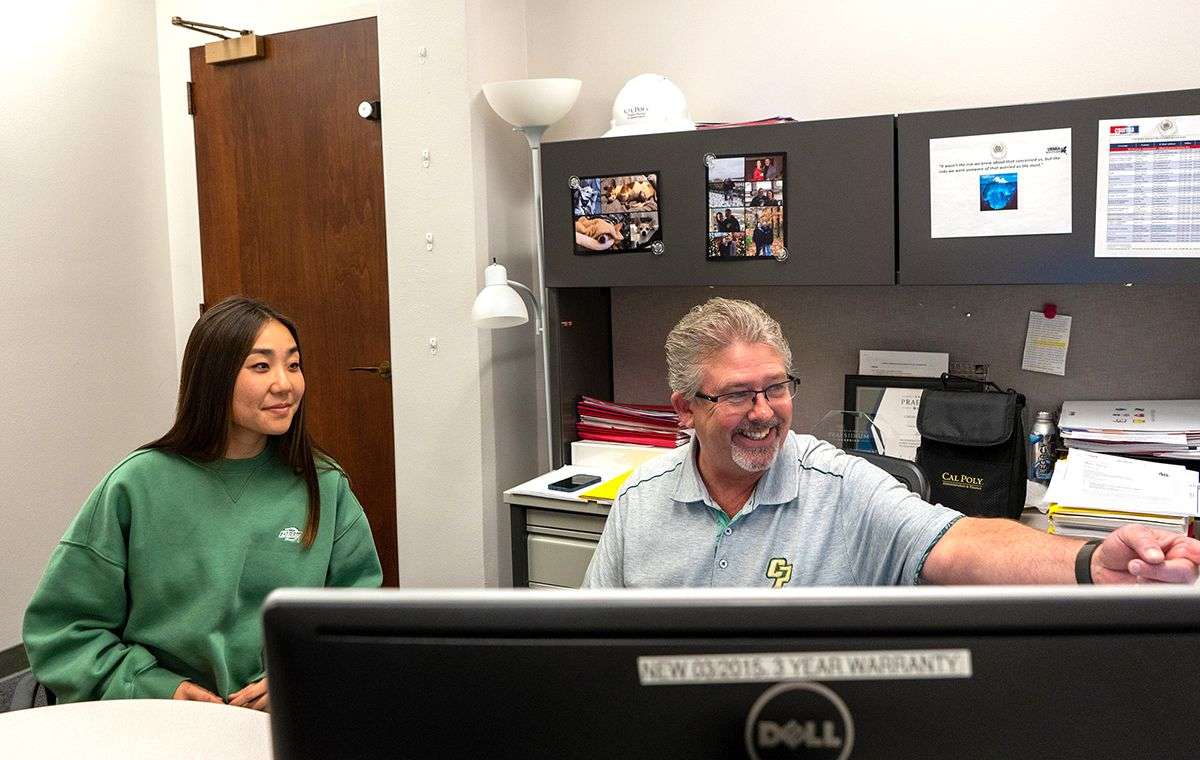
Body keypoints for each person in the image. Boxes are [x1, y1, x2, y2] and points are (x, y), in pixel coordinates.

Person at [582, 297, 1200, 588]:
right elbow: (590, 644)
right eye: (739, 395)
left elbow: (962, 541)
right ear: (686, 409)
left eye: (777, 388)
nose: (765, 413)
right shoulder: (641, 499)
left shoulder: (840, 487)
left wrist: (1089, 562)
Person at [23, 296, 384, 707]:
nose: (285, 383)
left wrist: (302, 675)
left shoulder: (325, 485)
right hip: (160, 721)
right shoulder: (136, 485)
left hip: (287, 717)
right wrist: (156, 687)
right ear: (214, 376)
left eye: (294, 364)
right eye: (261, 365)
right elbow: (63, 632)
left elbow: (359, 624)